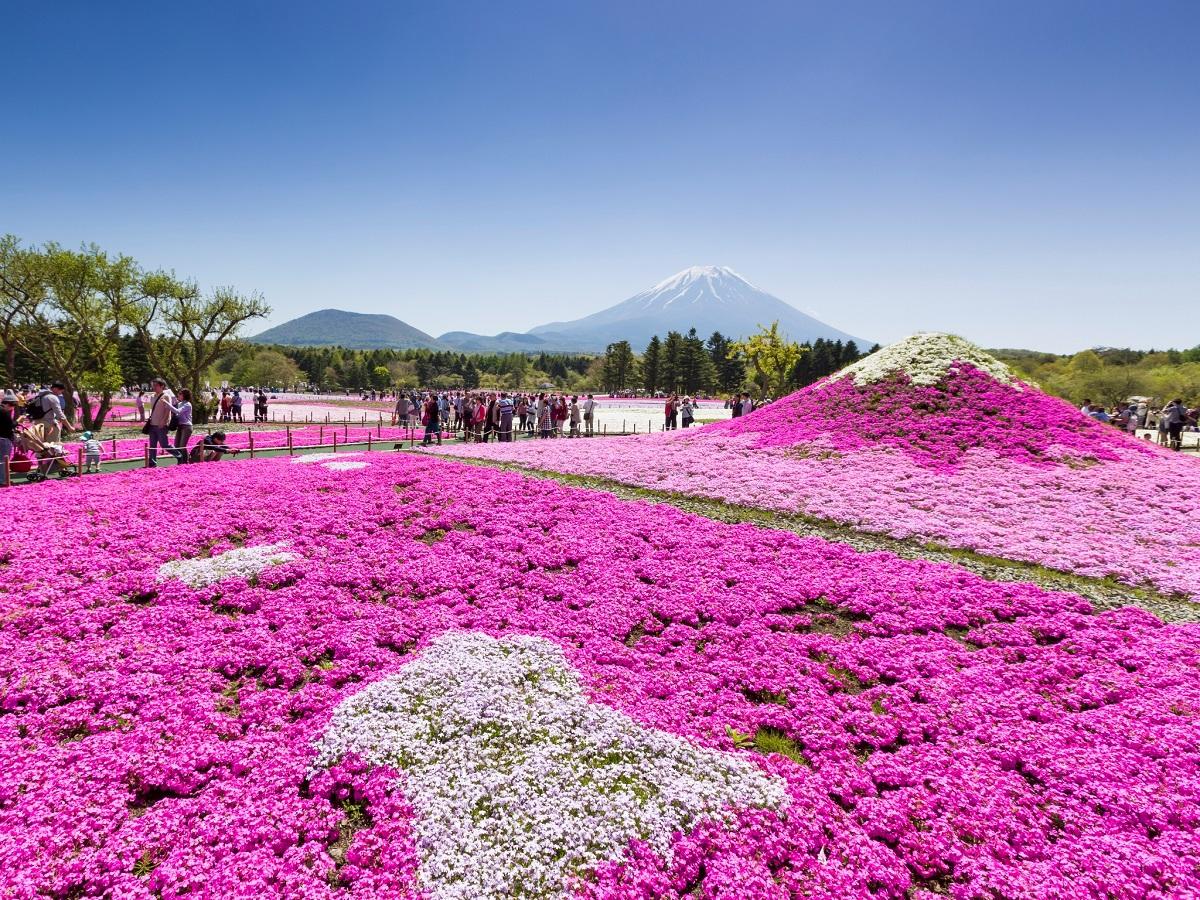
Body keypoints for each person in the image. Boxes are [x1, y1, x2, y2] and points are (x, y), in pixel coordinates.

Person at [146, 377, 183, 467]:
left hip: (161, 424)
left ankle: (179, 455)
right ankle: (152, 462)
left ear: (162, 386)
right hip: (152, 424)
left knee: (164, 444)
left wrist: (164, 421)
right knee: (152, 445)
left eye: (156, 385)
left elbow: (168, 410)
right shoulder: (152, 396)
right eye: (153, 385)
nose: (154, 387)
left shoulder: (166, 396)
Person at [174, 390, 194, 461]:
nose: (178, 395)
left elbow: (177, 411)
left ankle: (186, 461)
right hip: (180, 426)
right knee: (176, 445)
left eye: (180, 394)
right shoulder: (180, 404)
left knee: (182, 446)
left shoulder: (187, 404)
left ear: (184, 395)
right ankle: (181, 460)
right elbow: (176, 413)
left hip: (186, 426)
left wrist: (167, 403)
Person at [0, 391, 17, 472]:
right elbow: (10, 425)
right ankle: (3, 480)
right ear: (7, 404)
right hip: (4, 438)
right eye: (12, 405)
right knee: (4, 460)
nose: (13, 408)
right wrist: (18, 421)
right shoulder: (4, 412)